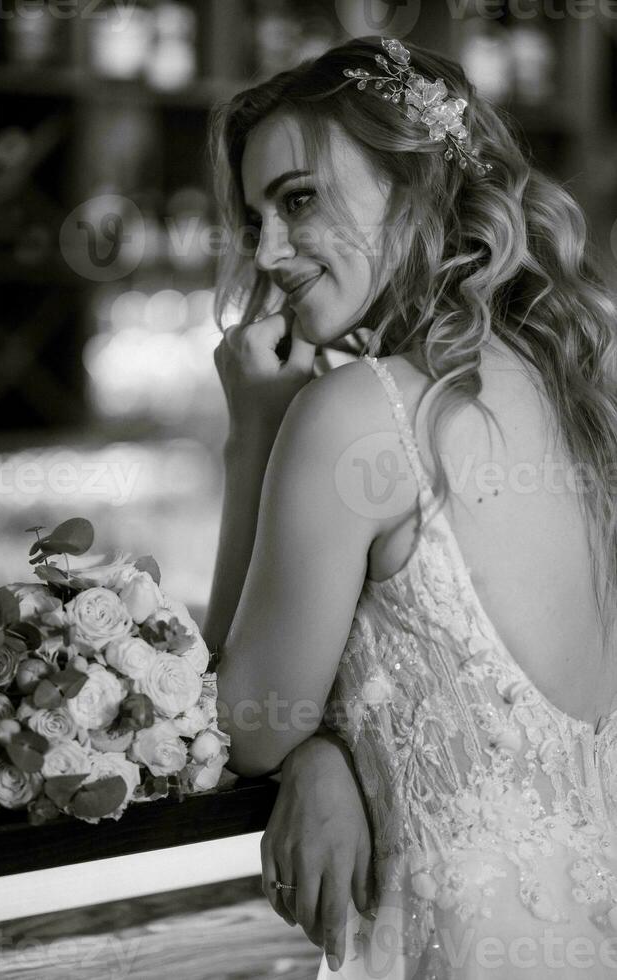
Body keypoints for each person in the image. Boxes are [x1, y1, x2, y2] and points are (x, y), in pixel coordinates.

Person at [201, 34, 617, 979]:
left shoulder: (358, 415)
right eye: (255, 217)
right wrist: (337, 750)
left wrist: (251, 435)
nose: (267, 252)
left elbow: (240, 729)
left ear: (416, 185)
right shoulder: (589, 390)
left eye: (298, 199)